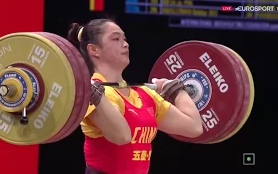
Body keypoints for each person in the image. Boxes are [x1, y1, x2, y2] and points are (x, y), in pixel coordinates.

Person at [67, 18, 203, 174]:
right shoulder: (93, 94)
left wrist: (176, 90)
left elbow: (194, 127)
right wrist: (95, 95)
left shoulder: (144, 95)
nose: (125, 44)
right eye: (116, 39)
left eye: (124, 39)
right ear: (94, 50)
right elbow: (122, 136)